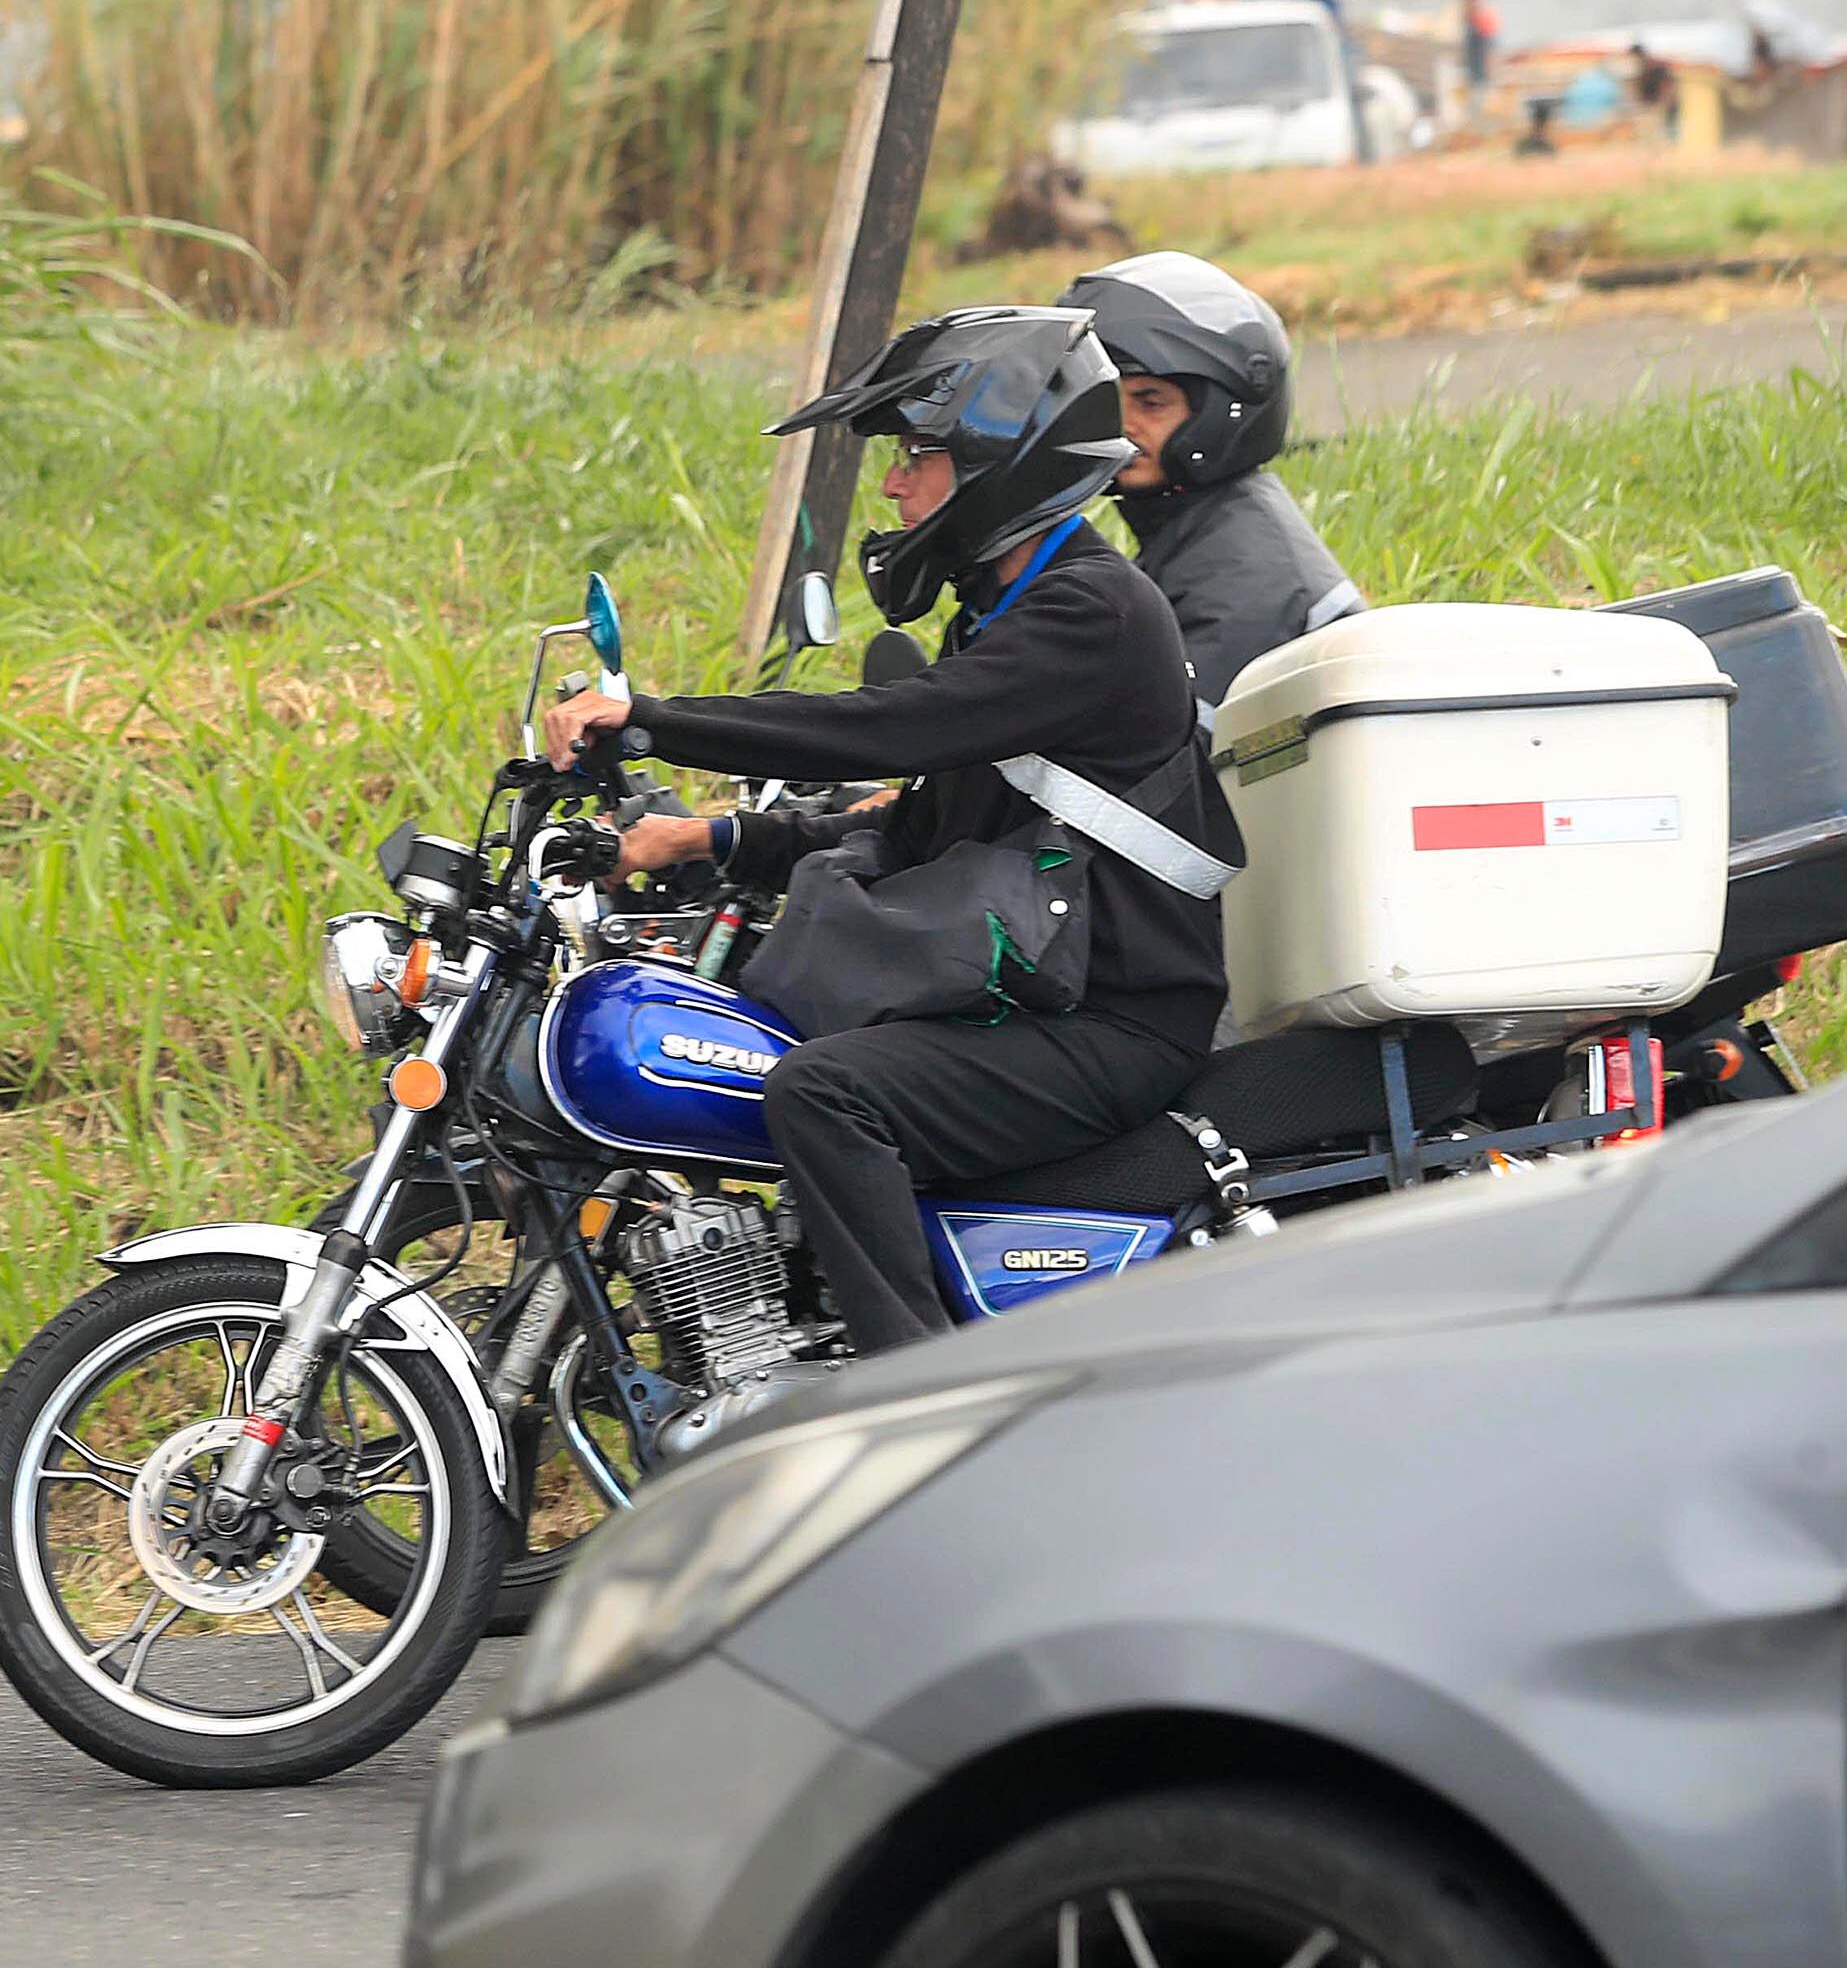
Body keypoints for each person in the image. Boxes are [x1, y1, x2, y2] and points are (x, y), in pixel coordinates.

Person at [542, 308, 1228, 1378]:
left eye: (918, 457)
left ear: (1004, 463)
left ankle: (910, 1409)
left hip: (1117, 1022)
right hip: (1047, 1000)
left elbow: (882, 731)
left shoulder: (1091, 612)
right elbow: (915, 822)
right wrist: (703, 838)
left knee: (825, 1089)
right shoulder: (1003, 609)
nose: (896, 487)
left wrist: (652, 717)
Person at [1059, 249, 1363, 713]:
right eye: (1107, 398)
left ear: (1221, 415)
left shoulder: (1243, 569)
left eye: (1151, 402)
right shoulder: (1197, 530)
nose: (1122, 424)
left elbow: (1164, 756)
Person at [1456, 0, 1500, 105]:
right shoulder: (1470, 20)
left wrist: (1493, 79)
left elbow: (1491, 50)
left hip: (1483, 80)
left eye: (1467, 0)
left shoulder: (1483, 19)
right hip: (1473, 78)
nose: (1464, 5)